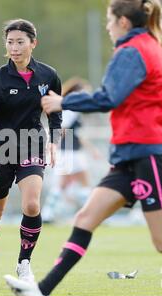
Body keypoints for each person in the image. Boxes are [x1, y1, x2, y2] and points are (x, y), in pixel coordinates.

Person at [4, 0, 162, 296]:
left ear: (123, 23)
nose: (106, 26)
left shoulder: (131, 51)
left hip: (149, 157)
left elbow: (109, 98)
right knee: (85, 219)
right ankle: (41, 292)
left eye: (109, 20)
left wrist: (64, 102)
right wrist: (160, 135)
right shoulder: (153, 48)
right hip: (132, 157)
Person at [0, 19, 62, 288]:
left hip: (32, 144)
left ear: (33, 43)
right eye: (10, 42)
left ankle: (24, 263)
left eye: (20, 42)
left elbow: (55, 111)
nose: (14, 47)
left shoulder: (47, 76)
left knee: (32, 205)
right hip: (0, 148)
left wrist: (54, 141)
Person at [42, 77, 102, 223]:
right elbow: (61, 129)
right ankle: (92, 215)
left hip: (69, 151)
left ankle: (47, 214)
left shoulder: (71, 109)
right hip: (71, 152)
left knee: (63, 184)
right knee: (84, 183)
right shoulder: (70, 109)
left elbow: (76, 134)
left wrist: (92, 149)